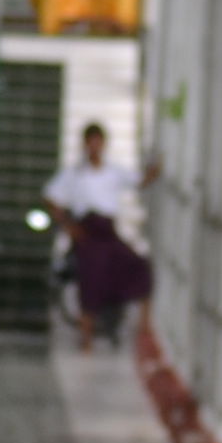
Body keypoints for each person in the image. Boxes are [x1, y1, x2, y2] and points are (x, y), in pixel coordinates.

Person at [43, 121, 152, 352]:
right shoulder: (74, 174)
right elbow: (51, 197)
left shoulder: (113, 171)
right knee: (91, 279)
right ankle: (87, 338)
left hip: (108, 232)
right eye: (90, 142)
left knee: (138, 264)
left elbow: (138, 181)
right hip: (88, 234)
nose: (94, 146)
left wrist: (156, 169)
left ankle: (144, 326)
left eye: (98, 142)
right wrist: (69, 225)